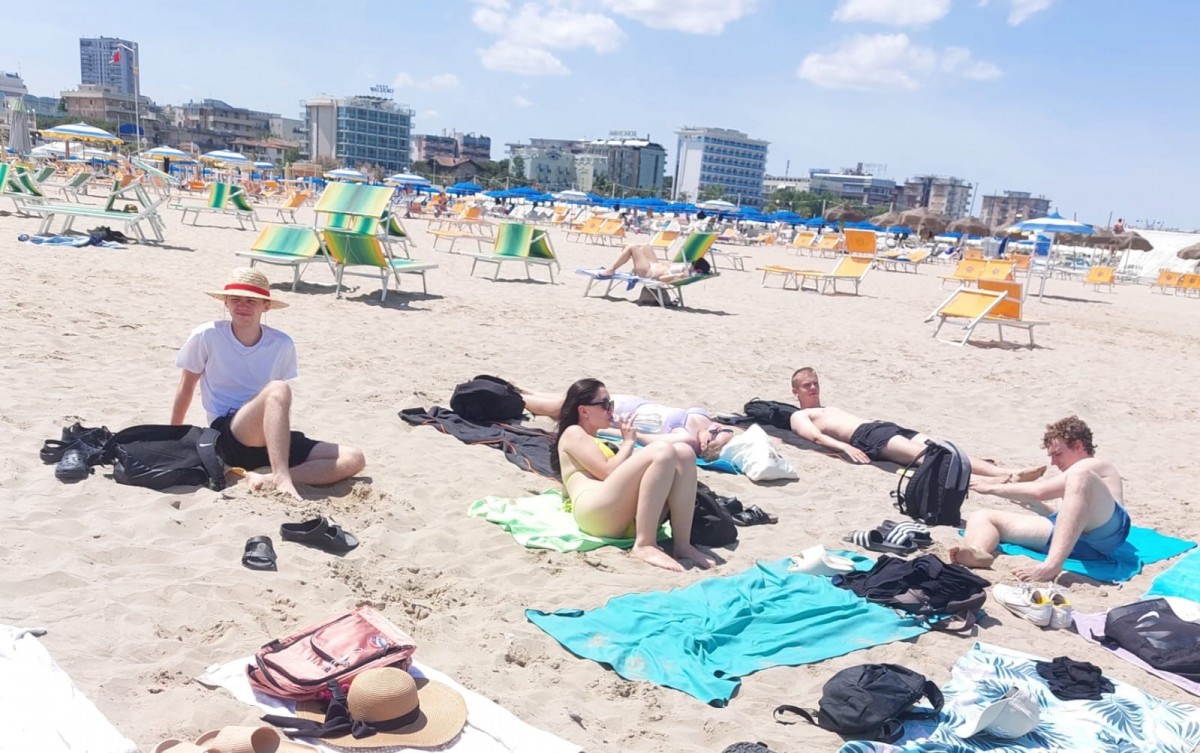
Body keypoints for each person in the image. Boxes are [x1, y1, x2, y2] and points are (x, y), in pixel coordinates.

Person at [172, 268, 366, 499]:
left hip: (269, 436)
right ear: (226, 302)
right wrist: (172, 437)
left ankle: (268, 477)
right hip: (227, 434)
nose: (242, 305)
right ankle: (282, 477)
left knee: (354, 458)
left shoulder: (281, 343)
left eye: (251, 300)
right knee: (278, 389)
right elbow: (186, 386)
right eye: (235, 299)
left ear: (266, 306)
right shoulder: (208, 335)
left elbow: (276, 406)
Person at [552, 379, 716, 572]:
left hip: (617, 512)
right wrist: (629, 442)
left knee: (684, 453)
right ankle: (644, 544)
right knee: (662, 450)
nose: (611, 410)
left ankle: (682, 544)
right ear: (584, 411)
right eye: (605, 404)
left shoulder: (595, 440)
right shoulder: (573, 433)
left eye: (611, 404)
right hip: (594, 511)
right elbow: (607, 472)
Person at [950, 417, 1129, 582]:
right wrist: (1039, 508)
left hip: (1107, 534)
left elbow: (1040, 491)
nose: (1053, 462)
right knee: (983, 516)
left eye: (1058, 454)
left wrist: (990, 487)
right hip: (1076, 543)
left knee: (1081, 476)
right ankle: (977, 551)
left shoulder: (1094, 466)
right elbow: (1070, 520)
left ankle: (1052, 565)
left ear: (1078, 446)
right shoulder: (1073, 479)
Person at [788, 367, 1045, 482]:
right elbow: (815, 437)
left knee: (942, 447)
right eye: (807, 385)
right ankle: (1003, 477)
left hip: (883, 427)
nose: (813, 388)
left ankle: (996, 469)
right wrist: (846, 448)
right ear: (795, 392)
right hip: (867, 437)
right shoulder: (800, 416)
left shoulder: (829, 407)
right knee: (931, 456)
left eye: (815, 383)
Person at [523, 388, 739, 461]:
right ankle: (523, 390)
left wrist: (609, 430)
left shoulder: (685, 438)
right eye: (721, 429)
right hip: (634, 403)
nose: (716, 428)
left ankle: (517, 398)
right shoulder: (705, 421)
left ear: (705, 445)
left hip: (621, 414)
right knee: (565, 399)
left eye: (714, 434)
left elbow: (643, 438)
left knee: (560, 409)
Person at [602, 243, 712, 283]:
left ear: (696, 269)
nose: (691, 263)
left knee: (632, 247)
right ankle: (628, 257)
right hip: (653, 265)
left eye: (693, 263)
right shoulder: (687, 270)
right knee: (646, 246)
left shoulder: (684, 274)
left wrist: (676, 275)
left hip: (648, 272)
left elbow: (661, 279)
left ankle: (611, 269)